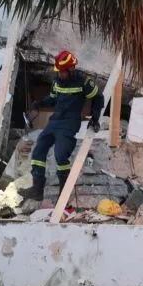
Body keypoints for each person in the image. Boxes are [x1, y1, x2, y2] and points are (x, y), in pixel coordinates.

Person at [21, 50, 105, 203]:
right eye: (58, 71)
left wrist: (95, 117)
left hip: (69, 123)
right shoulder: (57, 81)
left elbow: (98, 97)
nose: (60, 74)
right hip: (55, 121)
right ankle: (37, 189)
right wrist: (39, 103)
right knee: (38, 150)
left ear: (71, 69)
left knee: (60, 155)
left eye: (62, 72)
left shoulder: (83, 82)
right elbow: (53, 99)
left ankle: (63, 193)